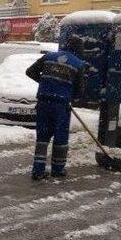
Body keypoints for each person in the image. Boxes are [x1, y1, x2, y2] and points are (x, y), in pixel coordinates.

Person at [26, 35, 87, 180]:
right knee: (60, 136)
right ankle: (58, 170)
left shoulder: (48, 57)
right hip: (61, 106)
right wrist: (67, 93)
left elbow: (30, 71)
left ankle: (38, 171)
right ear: (79, 49)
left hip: (43, 102)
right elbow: (80, 90)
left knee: (42, 136)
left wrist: (46, 83)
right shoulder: (78, 64)